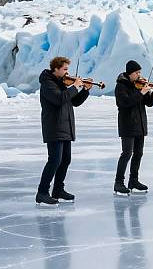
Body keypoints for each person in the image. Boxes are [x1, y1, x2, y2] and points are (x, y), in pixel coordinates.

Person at [36, 56, 91, 205]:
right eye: (65, 69)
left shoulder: (61, 84)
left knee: (65, 160)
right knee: (54, 160)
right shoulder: (48, 84)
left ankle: (58, 190)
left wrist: (85, 90)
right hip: (54, 127)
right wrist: (74, 87)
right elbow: (59, 99)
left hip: (65, 127)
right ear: (56, 69)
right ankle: (42, 192)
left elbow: (74, 102)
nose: (68, 73)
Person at [114, 60, 153, 195]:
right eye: (136, 73)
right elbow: (125, 103)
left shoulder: (138, 85)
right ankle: (119, 182)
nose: (139, 75)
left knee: (138, 153)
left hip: (140, 125)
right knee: (126, 153)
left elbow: (148, 103)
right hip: (127, 125)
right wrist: (141, 92)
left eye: (140, 72)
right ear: (130, 73)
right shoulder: (121, 86)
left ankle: (133, 181)